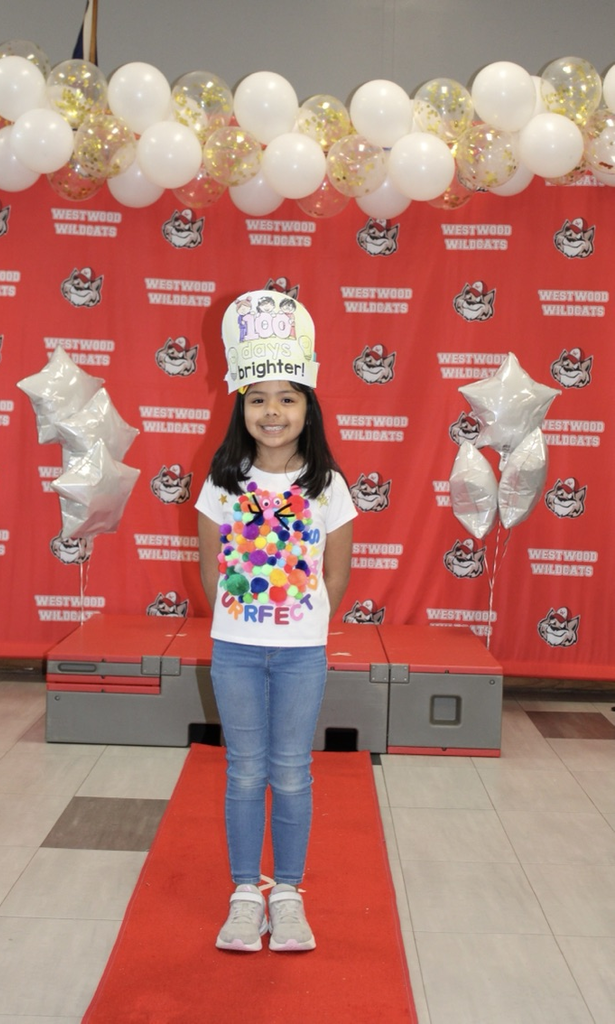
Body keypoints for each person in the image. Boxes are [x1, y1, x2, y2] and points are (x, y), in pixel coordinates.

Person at [195, 290, 356, 953]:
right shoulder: (223, 482)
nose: (272, 411)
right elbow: (210, 569)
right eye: (258, 398)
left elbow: (336, 575)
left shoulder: (327, 486)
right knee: (243, 772)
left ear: (307, 408)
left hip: (300, 654)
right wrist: (241, 621)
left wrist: (302, 624)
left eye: (286, 398)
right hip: (234, 650)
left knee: (290, 771)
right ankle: (244, 895)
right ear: (240, 406)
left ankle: (286, 894)